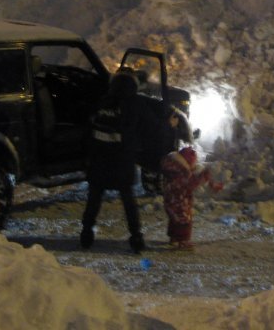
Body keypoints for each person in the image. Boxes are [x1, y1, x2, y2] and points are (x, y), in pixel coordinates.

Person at [80, 72, 156, 254]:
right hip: (122, 162)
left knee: (94, 198)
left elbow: (89, 129)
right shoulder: (135, 103)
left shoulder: (102, 101)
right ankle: (136, 237)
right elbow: (152, 126)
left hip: (100, 161)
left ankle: (86, 234)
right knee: (128, 200)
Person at [160, 145, 223, 250]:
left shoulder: (174, 170)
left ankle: (174, 237)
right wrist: (204, 175)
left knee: (175, 220)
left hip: (171, 201)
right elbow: (192, 183)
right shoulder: (182, 173)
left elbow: (190, 178)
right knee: (184, 221)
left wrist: (212, 184)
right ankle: (183, 241)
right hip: (180, 202)